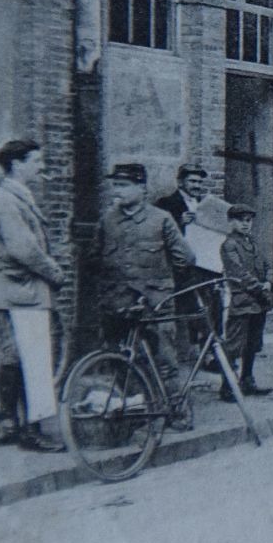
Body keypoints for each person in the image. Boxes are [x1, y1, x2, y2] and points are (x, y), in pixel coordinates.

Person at [93, 163, 197, 427]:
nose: (118, 191)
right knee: (120, 360)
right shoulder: (107, 220)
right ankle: (133, 412)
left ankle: (177, 411)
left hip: (156, 302)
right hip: (117, 302)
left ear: (142, 188)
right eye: (116, 185)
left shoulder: (160, 219)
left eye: (124, 185)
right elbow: (95, 256)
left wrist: (163, 283)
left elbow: (186, 258)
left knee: (165, 358)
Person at [0, 140, 66, 451]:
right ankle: (32, 431)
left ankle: (9, 425)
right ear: (17, 164)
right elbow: (24, 249)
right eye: (35, 161)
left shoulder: (10, 197)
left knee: (14, 357)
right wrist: (55, 272)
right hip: (23, 291)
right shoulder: (8, 200)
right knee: (34, 360)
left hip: (16, 291)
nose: (40, 166)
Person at [154, 164, 216, 360]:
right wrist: (180, 222)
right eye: (192, 181)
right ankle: (187, 353)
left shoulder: (205, 205)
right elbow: (158, 233)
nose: (196, 185)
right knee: (188, 310)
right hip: (180, 268)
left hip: (204, 264)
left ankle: (209, 355)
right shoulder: (166, 204)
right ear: (181, 182)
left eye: (199, 182)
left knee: (209, 308)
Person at [218, 203, 273, 398]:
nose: (245, 224)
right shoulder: (229, 245)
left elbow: (267, 265)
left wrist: (268, 280)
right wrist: (260, 288)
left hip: (258, 303)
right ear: (230, 222)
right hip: (242, 302)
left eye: (248, 221)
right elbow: (238, 273)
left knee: (252, 344)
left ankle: (247, 380)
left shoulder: (253, 243)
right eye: (240, 220)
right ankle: (227, 387)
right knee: (234, 345)